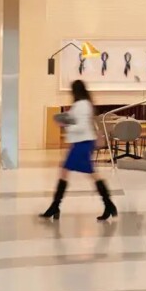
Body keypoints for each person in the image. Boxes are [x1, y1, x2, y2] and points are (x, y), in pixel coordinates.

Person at [40, 79, 117, 222]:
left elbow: (80, 126)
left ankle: (55, 206)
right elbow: (76, 121)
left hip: (82, 144)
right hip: (81, 144)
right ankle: (108, 205)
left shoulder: (81, 105)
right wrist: (66, 121)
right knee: (81, 172)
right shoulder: (84, 104)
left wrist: (65, 124)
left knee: (84, 173)